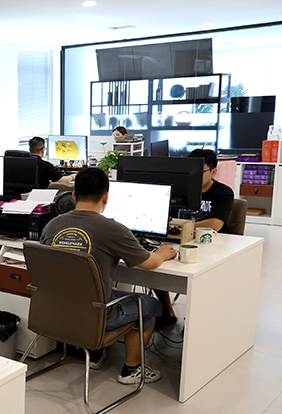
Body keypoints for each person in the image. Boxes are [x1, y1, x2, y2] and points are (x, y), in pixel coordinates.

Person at [40, 167, 177, 384]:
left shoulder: (51, 225)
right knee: (149, 305)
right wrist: (161, 253)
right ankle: (131, 370)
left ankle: (95, 354)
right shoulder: (113, 230)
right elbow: (149, 263)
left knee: (93, 290)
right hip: (96, 314)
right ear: (106, 197)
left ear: (73, 195)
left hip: (56, 311)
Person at [154, 148, 234, 327]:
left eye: (200, 171)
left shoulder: (222, 192)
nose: (194, 175)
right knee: (154, 265)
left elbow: (215, 224)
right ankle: (167, 312)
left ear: (213, 172)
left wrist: (182, 227)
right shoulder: (177, 189)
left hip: (211, 247)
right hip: (179, 242)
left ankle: (197, 324)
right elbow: (165, 219)